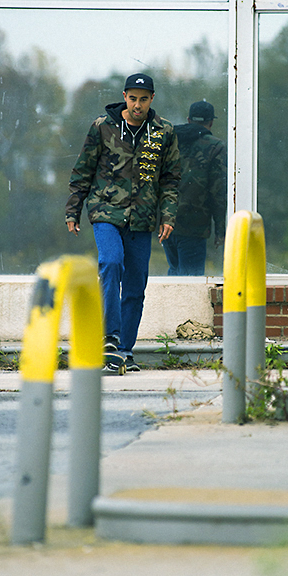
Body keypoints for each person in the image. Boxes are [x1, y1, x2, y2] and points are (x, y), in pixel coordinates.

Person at [65, 73, 180, 373]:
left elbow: (170, 180)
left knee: (135, 286)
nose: (137, 104)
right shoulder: (102, 127)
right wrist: (72, 210)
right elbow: (83, 171)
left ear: (152, 99)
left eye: (143, 99)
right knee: (111, 262)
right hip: (106, 211)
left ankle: (124, 352)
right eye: (133, 98)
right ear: (124, 96)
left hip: (141, 219)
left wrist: (167, 215)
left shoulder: (163, 132)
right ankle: (110, 337)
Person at [163, 100, 227, 276]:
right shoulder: (215, 147)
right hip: (194, 225)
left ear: (188, 119)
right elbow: (218, 191)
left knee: (174, 273)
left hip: (167, 222)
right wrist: (220, 230)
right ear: (211, 122)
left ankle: (170, 305)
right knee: (191, 282)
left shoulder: (169, 141)